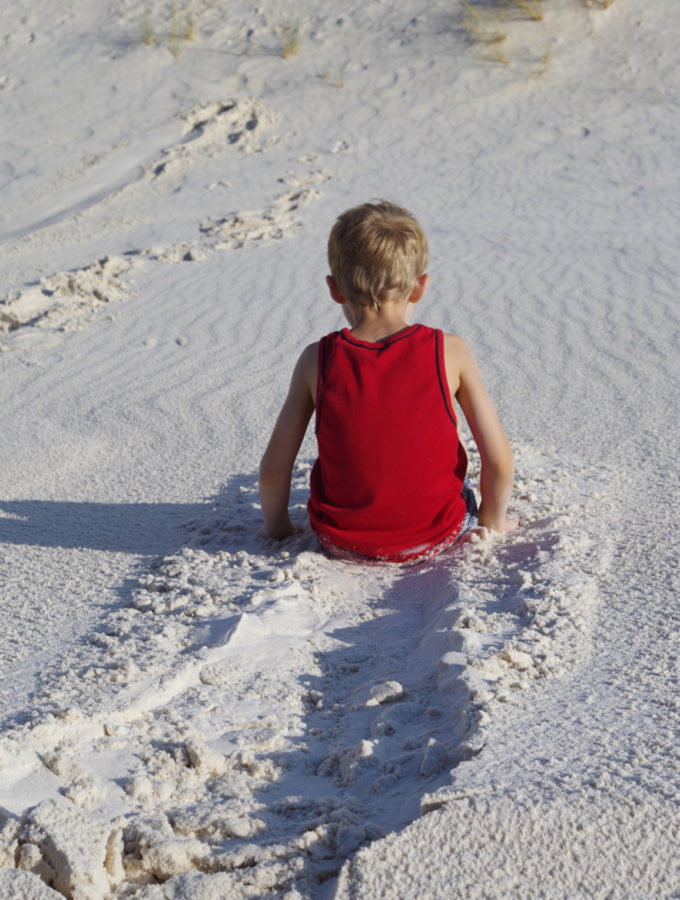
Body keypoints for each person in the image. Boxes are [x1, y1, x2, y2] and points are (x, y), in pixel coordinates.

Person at [259, 200, 517, 562]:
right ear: (419, 287)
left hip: (340, 542)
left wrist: (278, 529)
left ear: (335, 289)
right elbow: (500, 460)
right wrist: (492, 521)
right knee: (445, 421)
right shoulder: (449, 351)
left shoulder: (316, 359)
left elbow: (273, 472)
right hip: (435, 536)